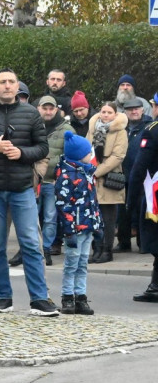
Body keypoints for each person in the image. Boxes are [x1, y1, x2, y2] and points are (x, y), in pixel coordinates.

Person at [0, 68, 57, 315]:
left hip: (22, 187)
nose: (7, 86)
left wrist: (22, 154)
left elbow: (43, 147)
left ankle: (39, 299)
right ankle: (3, 297)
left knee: (30, 243)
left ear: (17, 86)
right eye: (2, 82)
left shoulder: (30, 114)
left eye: (11, 82)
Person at [55, 131, 100, 315]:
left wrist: (98, 225)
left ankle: (81, 296)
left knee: (83, 263)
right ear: (80, 155)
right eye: (89, 153)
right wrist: (69, 230)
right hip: (74, 229)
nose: (92, 156)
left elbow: (93, 203)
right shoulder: (67, 177)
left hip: (87, 227)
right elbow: (63, 206)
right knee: (71, 263)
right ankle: (67, 297)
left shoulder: (87, 173)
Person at [87, 102, 128, 264]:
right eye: (103, 111)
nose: (105, 115)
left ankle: (107, 250)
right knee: (93, 217)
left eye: (109, 112)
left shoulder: (120, 132)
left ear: (115, 115)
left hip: (109, 179)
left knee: (108, 219)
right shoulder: (93, 128)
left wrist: (97, 172)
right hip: (92, 178)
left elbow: (118, 156)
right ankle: (96, 249)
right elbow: (86, 149)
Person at [37, 95, 73, 265]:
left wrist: (60, 178)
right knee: (32, 217)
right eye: (45, 108)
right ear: (39, 109)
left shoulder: (66, 129)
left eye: (51, 108)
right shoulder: (32, 126)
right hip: (33, 181)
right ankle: (30, 249)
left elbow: (71, 157)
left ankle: (46, 248)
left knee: (50, 217)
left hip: (53, 181)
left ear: (56, 110)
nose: (48, 111)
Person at [129, 118, 158, 302]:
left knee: (155, 238)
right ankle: (155, 286)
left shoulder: (152, 130)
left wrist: (130, 199)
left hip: (155, 193)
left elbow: (140, 165)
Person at [120, 96, 151, 252]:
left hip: (142, 175)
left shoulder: (149, 126)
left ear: (142, 110)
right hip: (122, 174)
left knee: (141, 209)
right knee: (122, 210)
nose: (134, 111)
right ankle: (123, 242)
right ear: (125, 112)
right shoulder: (121, 128)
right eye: (130, 109)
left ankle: (142, 243)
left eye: (136, 108)